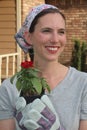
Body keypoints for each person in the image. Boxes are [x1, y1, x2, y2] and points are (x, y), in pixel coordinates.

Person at [0, 3, 87, 130]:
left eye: (61, 32)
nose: (55, 39)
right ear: (29, 37)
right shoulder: (9, 88)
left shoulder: (83, 83)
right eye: (47, 31)